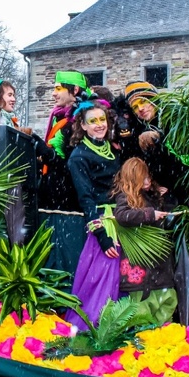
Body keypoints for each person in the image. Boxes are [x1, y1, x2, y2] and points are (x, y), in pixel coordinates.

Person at [63, 99, 122, 331]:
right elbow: (86, 199)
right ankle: (95, 331)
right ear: (83, 126)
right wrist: (101, 235)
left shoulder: (114, 149)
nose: (99, 125)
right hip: (103, 225)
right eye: (93, 121)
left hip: (123, 221)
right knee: (101, 283)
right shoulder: (79, 157)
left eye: (102, 120)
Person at [112, 157, 178, 325]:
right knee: (140, 311)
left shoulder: (153, 196)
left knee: (166, 303)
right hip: (139, 271)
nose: (148, 180)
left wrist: (163, 198)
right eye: (144, 178)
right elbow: (122, 216)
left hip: (160, 268)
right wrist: (149, 214)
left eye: (148, 176)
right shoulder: (125, 198)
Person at [38, 71, 89, 277]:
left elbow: (70, 165)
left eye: (58, 88)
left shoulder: (80, 121)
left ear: (75, 90)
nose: (53, 94)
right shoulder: (60, 117)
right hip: (54, 200)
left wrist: (44, 152)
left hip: (69, 204)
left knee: (69, 263)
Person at [124, 81, 189, 205]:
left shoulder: (175, 116)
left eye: (143, 101)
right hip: (167, 193)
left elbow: (184, 151)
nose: (140, 109)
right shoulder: (139, 129)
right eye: (135, 107)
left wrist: (158, 137)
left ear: (153, 99)